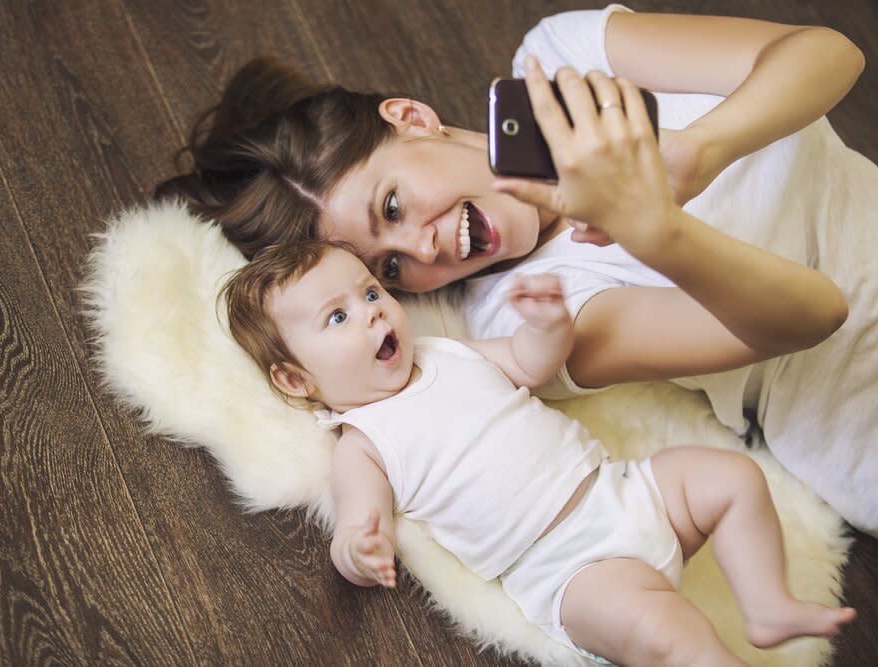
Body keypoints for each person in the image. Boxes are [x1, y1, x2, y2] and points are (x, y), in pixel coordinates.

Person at [156, 5, 878, 535]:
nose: (424, 249)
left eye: (395, 204)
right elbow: (814, 316)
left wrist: (698, 151)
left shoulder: (560, 61)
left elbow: (828, 53)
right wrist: (653, 230)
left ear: (411, 116)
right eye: (391, 267)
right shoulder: (531, 316)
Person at [219, 240, 855, 667]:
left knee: (734, 477)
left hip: (627, 490)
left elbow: (527, 363)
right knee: (668, 632)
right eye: (336, 318)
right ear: (296, 380)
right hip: (573, 569)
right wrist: (360, 546)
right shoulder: (363, 444)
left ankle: (766, 602)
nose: (369, 315)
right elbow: (356, 518)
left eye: (369, 295)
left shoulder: (449, 353)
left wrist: (550, 325)